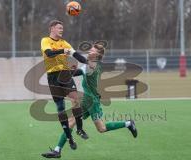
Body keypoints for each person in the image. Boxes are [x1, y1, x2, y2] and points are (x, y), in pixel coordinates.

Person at [42, 44, 138, 158]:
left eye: (92, 50)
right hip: (87, 99)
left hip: (92, 101)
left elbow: (74, 73)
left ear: (97, 55)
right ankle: (57, 150)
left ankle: (128, 123)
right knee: (71, 122)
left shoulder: (91, 66)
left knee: (101, 128)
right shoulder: (91, 64)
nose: (89, 51)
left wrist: (60, 69)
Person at [40, 19, 88, 150]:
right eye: (59, 27)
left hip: (65, 74)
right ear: (52, 29)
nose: (62, 30)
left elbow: (76, 55)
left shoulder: (64, 43)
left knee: (75, 99)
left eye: (62, 28)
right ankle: (69, 138)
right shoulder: (45, 41)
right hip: (53, 77)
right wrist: (62, 51)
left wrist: (88, 62)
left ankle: (79, 129)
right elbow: (49, 54)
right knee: (60, 109)